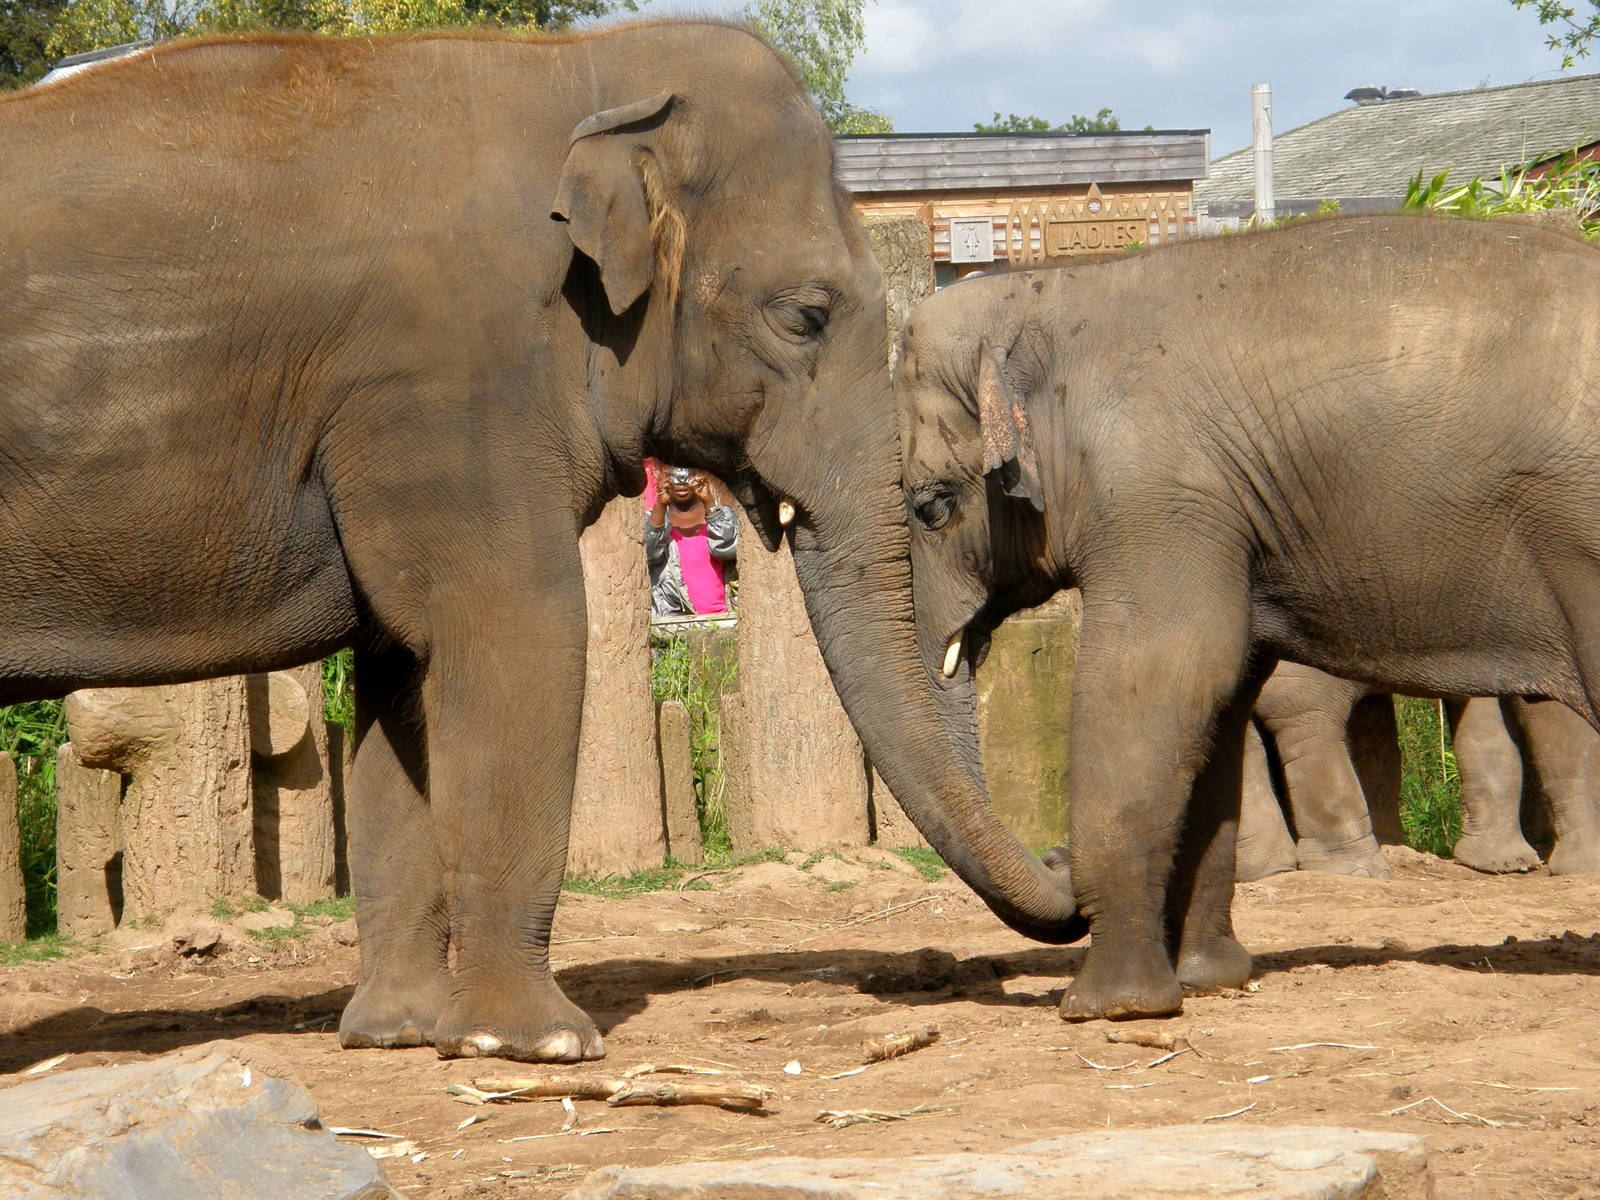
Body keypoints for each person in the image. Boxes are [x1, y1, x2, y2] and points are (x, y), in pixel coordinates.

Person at [644, 463, 737, 616]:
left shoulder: (722, 514)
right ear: (658, 474)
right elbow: (649, 554)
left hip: (724, 618)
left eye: (688, 471)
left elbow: (727, 548)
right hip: (674, 624)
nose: (681, 480)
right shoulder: (654, 520)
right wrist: (661, 503)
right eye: (672, 474)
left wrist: (709, 502)